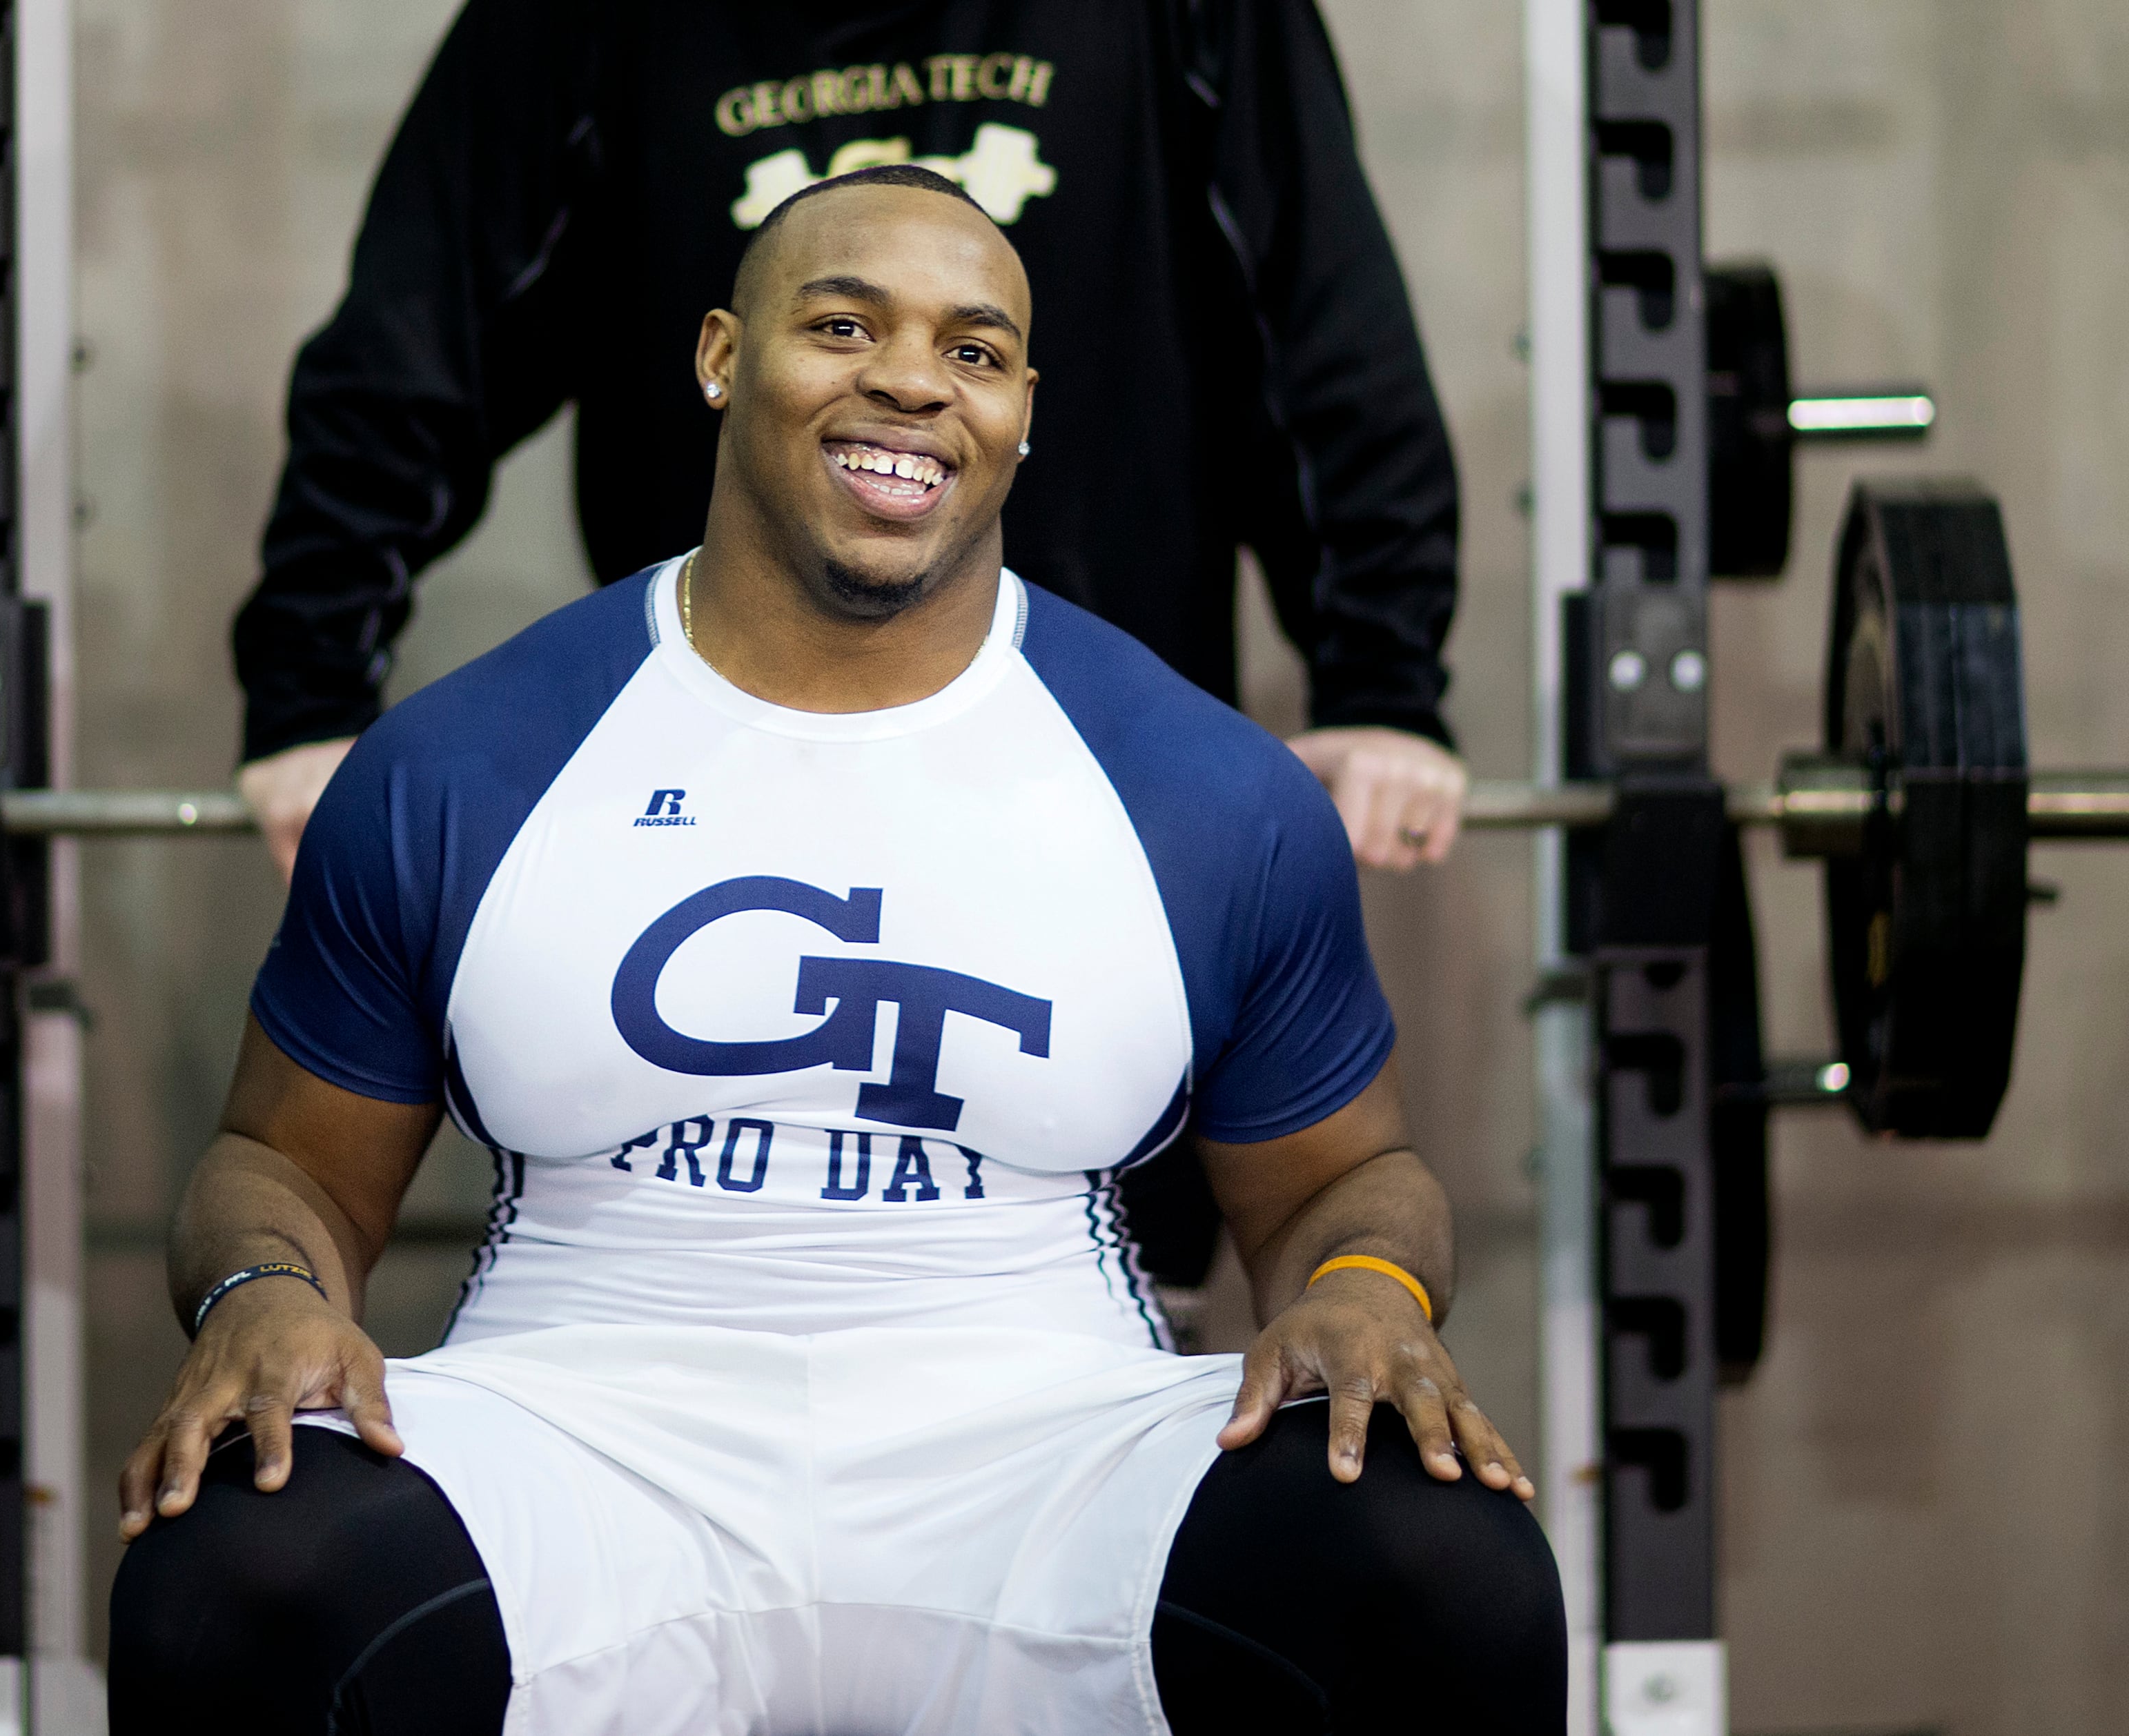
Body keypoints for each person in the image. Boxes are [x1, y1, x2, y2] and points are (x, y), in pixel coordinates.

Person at [114, 169, 1558, 1734]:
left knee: (1437, 1562)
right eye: (845, 325)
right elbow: (288, 1167)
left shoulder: (1203, 790)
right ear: (724, 356)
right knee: (239, 1571)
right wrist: (262, 1292)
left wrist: (1361, 1288)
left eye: (976, 349)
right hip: (584, 1432)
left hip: (1047, 1449)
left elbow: (1350, 1179)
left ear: (1020, 409)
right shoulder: (469, 761)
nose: (913, 382)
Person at [233, 0, 1469, 888]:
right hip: (708, 781)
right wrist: (312, 693)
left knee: (1102, 1220)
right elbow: (416, 348)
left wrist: (1381, 684)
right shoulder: (586, 22)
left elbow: (1322, 342)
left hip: (1091, 783)